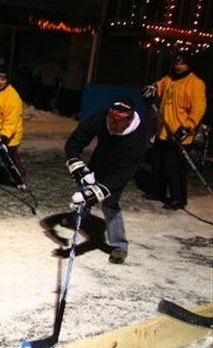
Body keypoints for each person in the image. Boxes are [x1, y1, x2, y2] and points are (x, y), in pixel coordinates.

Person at [64, 96, 148, 264]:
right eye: (112, 118)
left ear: (130, 119)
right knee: (85, 188)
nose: (114, 124)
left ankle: (119, 246)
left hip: (118, 170)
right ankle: (79, 215)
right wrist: (76, 164)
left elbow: (124, 174)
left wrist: (98, 192)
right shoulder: (101, 117)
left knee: (109, 203)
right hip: (100, 159)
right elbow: (75, 141)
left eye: (119, 121)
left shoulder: (139, 137)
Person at [142, 53, 207, 210]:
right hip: (164, 130)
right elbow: (158, 86)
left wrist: (188, 127)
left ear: (189, 65)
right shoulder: (169, 79)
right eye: (177, 63)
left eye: (182, 64)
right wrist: (152, 89)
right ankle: (158, 191)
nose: (178, 66)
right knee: (158, 163)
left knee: (175, 168)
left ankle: (178, 198)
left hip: (180, 134)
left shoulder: (196, 83)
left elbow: (199, 108)